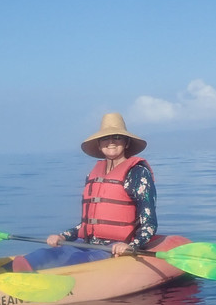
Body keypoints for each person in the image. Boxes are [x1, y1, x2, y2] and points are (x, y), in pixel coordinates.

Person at [12, 112, 157, 271]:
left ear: (127, 142)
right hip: (85, 242)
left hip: (114, 247)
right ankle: (2, 277)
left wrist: (132, 245)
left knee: (77, 259)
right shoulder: (93, 174)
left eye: (117, 137)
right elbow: (87, 223)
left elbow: (149, 223)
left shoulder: (138, 174)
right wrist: (63, 236)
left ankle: (38, 283)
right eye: (105, 138)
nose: (111, 142)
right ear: (99, 144)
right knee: (43, 255)